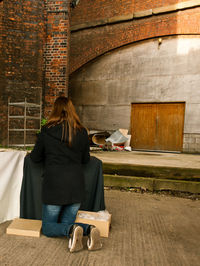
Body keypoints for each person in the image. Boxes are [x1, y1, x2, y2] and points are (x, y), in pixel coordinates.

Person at [30, 96, 102, 252]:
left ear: (55, 110)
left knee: (49, 229)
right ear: (72, 110)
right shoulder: (82, 132)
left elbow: (35, 158)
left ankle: (73, 231)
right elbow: (85, 159)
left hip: (54, 187)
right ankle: (88, 229)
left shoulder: (47, 130)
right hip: (76, 187)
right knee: (67, 222)